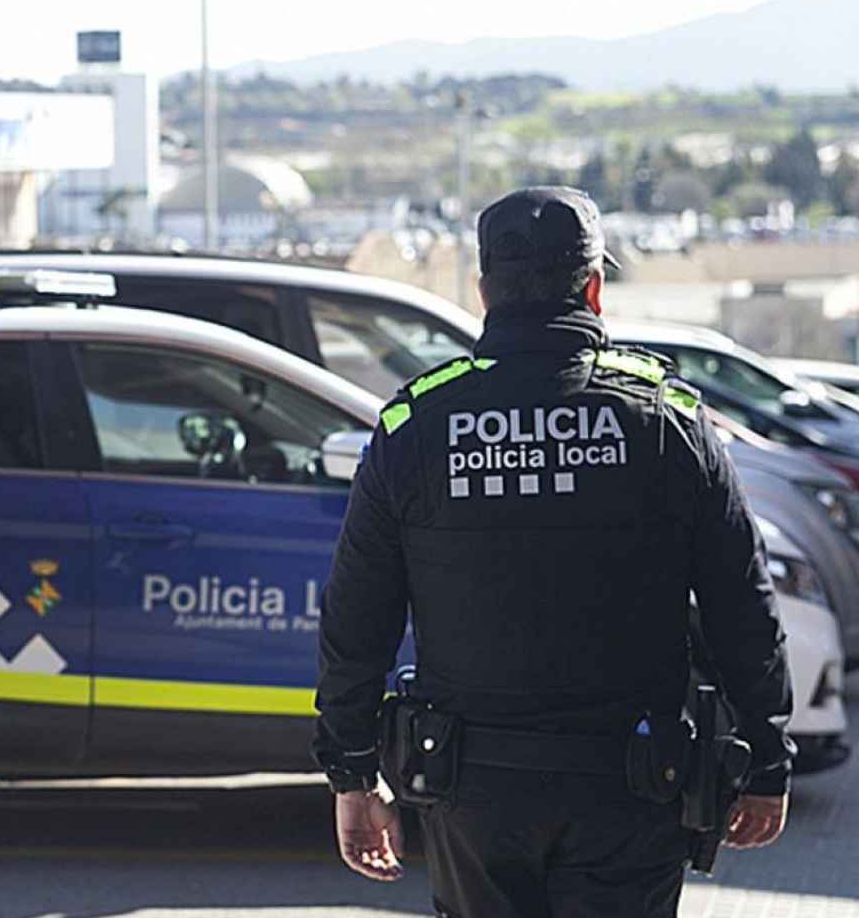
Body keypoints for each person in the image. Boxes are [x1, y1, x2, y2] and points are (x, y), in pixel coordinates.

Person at [313, 186, 795, 917]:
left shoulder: (417, 424)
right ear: (594, 288)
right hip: (633, 787)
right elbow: (742, 606)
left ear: (484, 293)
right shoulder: (666, 423)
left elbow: (356, 618)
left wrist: (352, 773)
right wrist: (765, 758)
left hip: (471, 790)